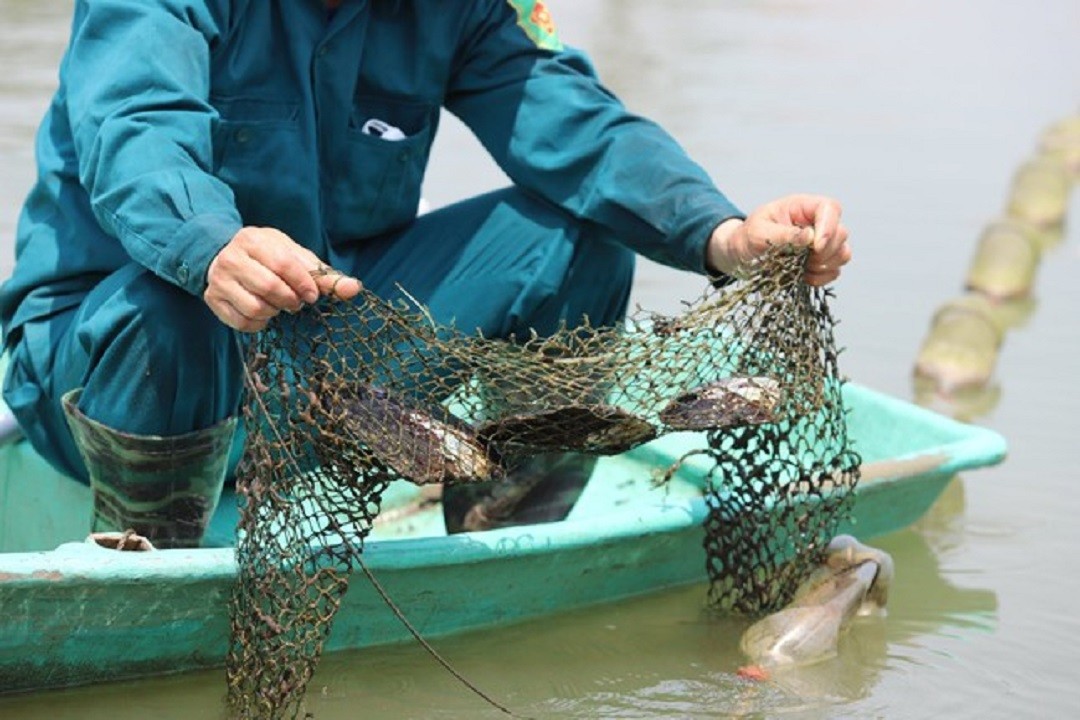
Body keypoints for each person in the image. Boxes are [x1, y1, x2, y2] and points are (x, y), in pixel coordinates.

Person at [0, 0, 850, 548]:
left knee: (582, 239)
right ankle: (152, 565)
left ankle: (502, 545)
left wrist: (725, 233)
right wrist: (212, 245)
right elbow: (134, 127)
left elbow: (584, 133)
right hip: (108, 372)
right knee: (175, 300)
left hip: (323, 354)